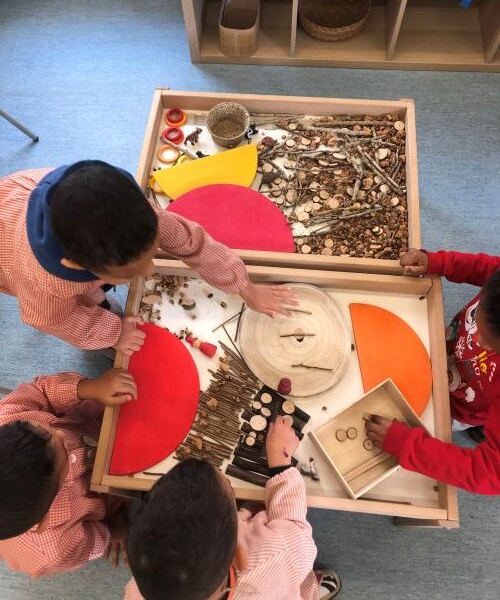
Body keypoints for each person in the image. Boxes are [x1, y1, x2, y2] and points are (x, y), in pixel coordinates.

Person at [0, 161, 295, 355]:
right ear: (78, 265)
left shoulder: (138, 214)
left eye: (152, 255)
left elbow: (191, 242)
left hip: (35, 195)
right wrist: (114, 332)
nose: (151, 271)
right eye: (130, 272)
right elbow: (52, 319)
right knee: (82, 304)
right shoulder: (45, 284)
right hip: (9, 249)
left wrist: (243, 285)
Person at [125, 417, 341, 599]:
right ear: (239, 556)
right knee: (296, 578)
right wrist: (281, 464)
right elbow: (296, 531)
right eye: (227, 485)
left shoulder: (139, 590)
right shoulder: (277, 554)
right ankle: (312, 591)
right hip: (280, 581)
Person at [365, 248, 500, 494]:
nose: (478, 339)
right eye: (478, 325)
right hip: (446, 354)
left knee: (443, 421)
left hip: (461, 408)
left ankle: (479, 426)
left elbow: (489, 474)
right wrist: (442, 262)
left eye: (491, 344)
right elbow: (490, 268)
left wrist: (407, 446)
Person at [0, 368, 137, 575]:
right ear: (44, 521)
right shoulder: (55, 550)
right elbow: (93, 541)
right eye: (62, 451)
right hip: (111, 494)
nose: (61, 434)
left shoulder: (7, 416)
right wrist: (114, 532)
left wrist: (93, 388)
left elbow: (41, 390)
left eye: (41, 428)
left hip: (90, 420)